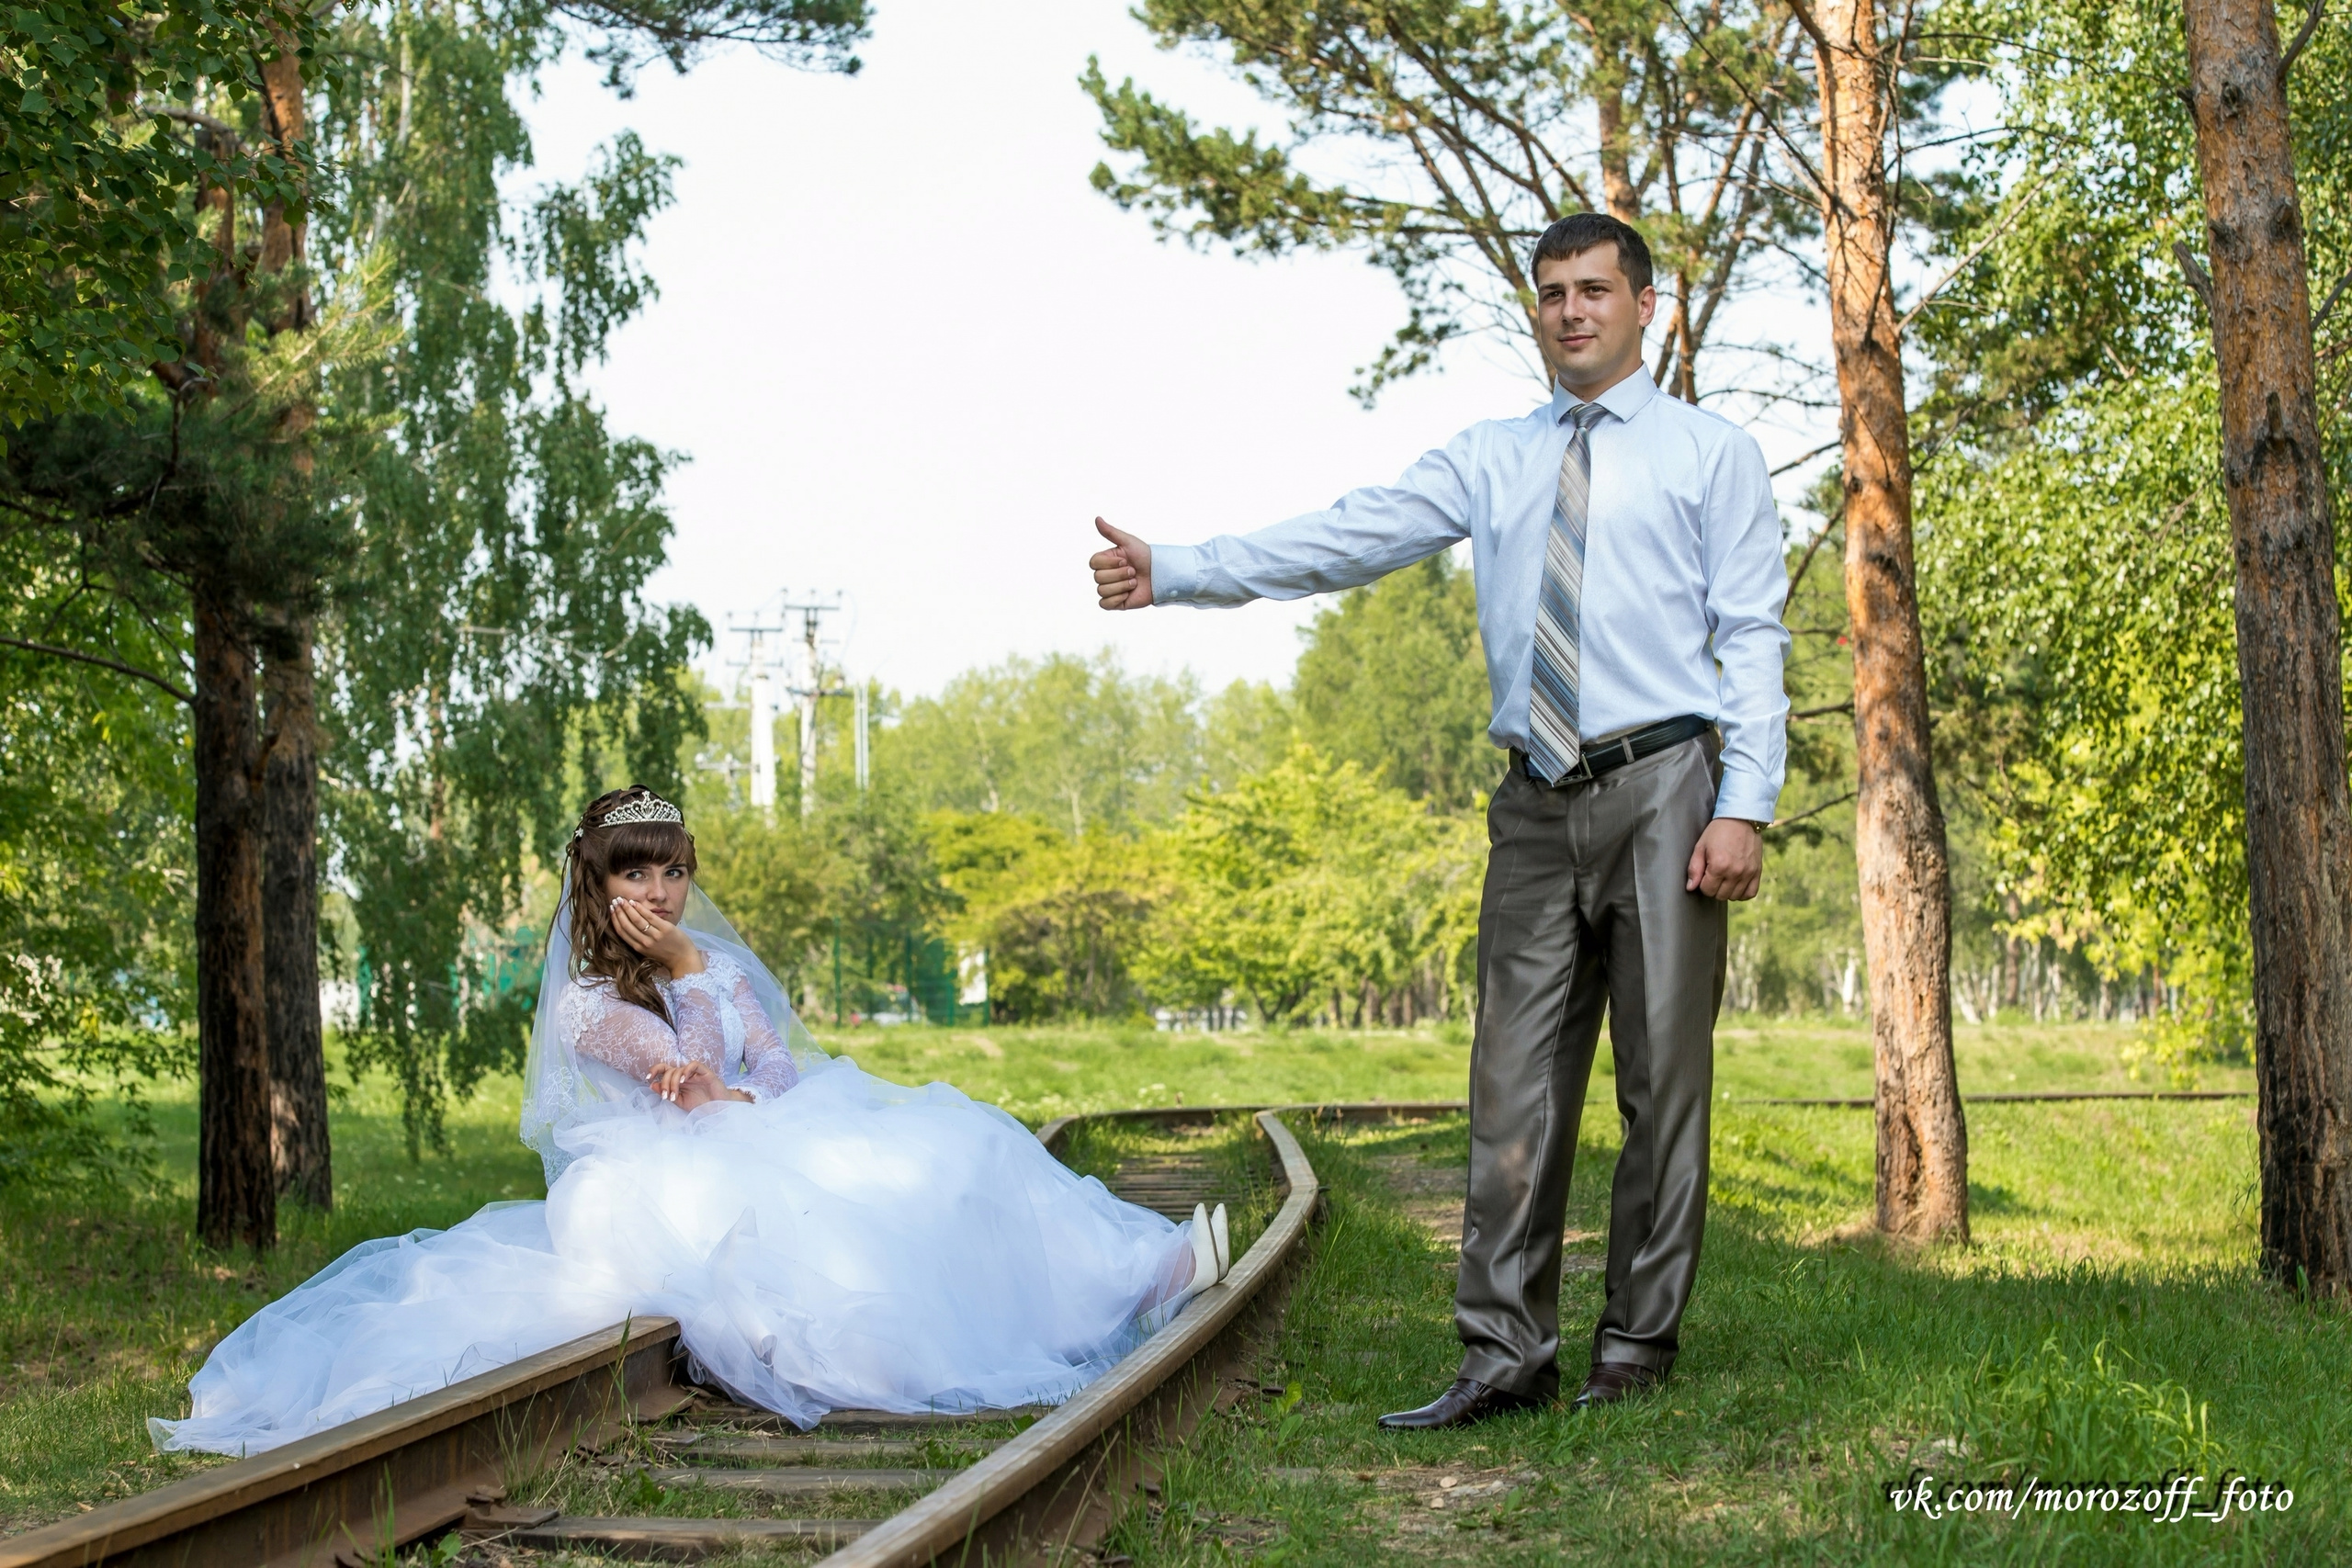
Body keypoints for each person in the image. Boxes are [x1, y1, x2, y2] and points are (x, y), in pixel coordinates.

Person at [1088, 213, 1788, 1427]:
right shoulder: (1492, 456)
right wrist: (1184, 567)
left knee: (1662, 1087)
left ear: (1646, 307)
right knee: (1512, 1089)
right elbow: (1352, 533)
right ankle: (1502, 1355)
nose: (1572, 310)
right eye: (1553, 292)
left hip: (1665, 787)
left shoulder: (1710, 453)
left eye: (1595, 290)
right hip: (1533, 800)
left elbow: (1754, 635)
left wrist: (1746, 805)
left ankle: (1635, 1350)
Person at [152, 786, 1230, 1457]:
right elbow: (689, 1078)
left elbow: (773, 1070)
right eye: (637, 870)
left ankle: (1130, 1277)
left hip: (743, 1134)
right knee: (833, 1241)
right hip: (651, 1176)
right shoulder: (588, 1004)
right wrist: (683, 979)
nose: (661, 891)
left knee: (958, 1144)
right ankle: (1032, 1313)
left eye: (673, 870)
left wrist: (736, 1065)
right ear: (597, 883)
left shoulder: (712, 966)